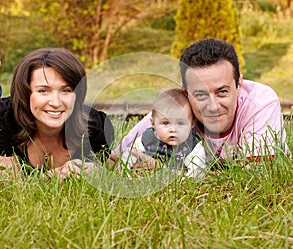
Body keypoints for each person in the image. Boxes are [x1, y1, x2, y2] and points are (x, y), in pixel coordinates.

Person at [110, 38, 289, 166]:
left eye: (222, 92)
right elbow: (115, 159)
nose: (212, 106)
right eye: (201, 95)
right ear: (185, 93)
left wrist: (167, 171)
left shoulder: (261, 102)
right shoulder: (177, 111)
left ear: (239, 85)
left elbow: (255, 175)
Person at [0, 47, 114, 178]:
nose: (56, 103)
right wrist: (52, 178)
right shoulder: (1, 118)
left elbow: (111, 172)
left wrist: (95, 171)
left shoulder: (94, 125)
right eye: (43, 91)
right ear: (25, 93)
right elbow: (11, 185)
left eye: (66, 90)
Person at [121, 88, 206, 178]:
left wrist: (183, 178)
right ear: (153, 123)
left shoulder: (192, 146)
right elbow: (131, 154)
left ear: (192, 124)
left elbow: (198, 170)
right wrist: (128, 170)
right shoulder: (147, 138)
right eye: (166, 123)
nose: (173, 129)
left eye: (180, 123)